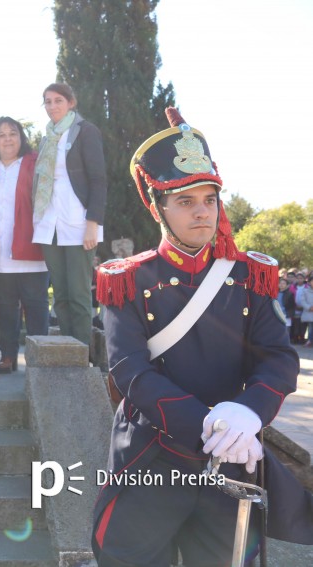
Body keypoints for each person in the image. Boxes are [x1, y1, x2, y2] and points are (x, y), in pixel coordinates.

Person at [92, 108, 301, 566]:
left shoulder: (252, 276)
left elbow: (279, 359)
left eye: (209, 199)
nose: (202, 211)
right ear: (159, 207)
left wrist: (249, 414)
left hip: (233, 458)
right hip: (152, 455)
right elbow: (130, 370)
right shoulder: (127, 279)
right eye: (185, 201)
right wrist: (209, 427)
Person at [32, 83, 107, 347]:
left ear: (71, 102)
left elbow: (98, 180)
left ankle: (82, 356)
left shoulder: (85, 132)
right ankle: (67, 350)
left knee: (78, 294)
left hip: (78, 222)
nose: (52, 106)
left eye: (58, 101)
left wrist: (92, 225)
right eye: (48, 102)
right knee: (60, 295)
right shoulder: (46, 138)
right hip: (48, 223)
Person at [0, 116, 49, 374]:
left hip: (31, 248)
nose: (8, 138)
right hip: (0, 251)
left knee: (37, 307)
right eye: (1, 134)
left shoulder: (34, 162)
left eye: (13, 133)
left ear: (20, 137)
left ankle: (37, 357)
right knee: (6, 308)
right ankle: (7, 356)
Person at [298, 273, 313, 347]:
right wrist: (309, 307)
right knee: (310, 327)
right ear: (309, 282)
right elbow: (303, 301)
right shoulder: (305, 291)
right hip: (309, 312)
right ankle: (309, 340)